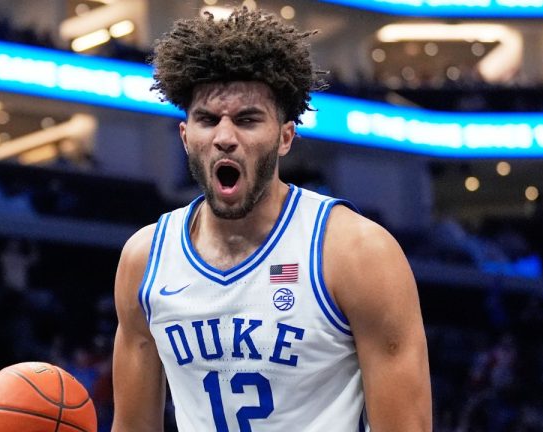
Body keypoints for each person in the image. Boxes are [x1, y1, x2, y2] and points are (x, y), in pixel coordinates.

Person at [112, 7, 431, 431]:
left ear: (285, 137)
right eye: (208, 120)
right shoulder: (144, 259)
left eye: (247, 119)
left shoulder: (356, 253)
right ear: (186, 136)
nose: (225, 137)